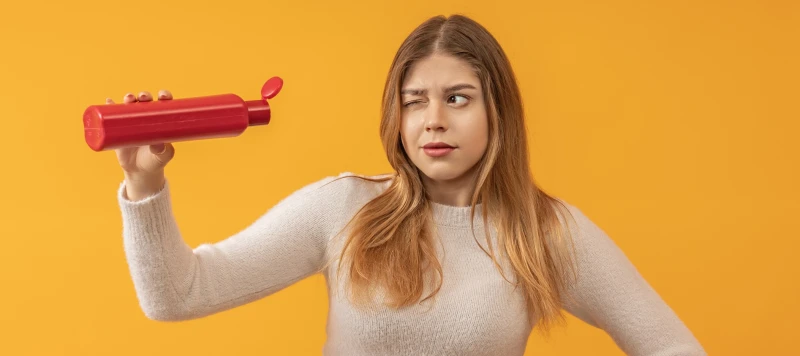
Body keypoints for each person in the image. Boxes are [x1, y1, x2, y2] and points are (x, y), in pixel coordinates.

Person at [108, 14, 706, 356]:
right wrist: (143, 181)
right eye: (414, 101)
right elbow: (176, 296)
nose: (433, 120)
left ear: (499, 111)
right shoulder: (342, 208)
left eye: (457, 99)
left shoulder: (540, 231)